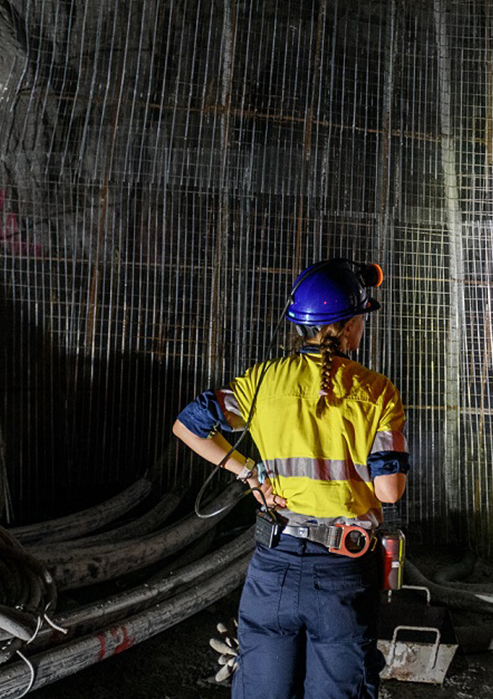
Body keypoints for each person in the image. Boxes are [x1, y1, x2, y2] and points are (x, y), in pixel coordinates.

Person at [171, 258, 409, 699]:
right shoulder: (377, 392)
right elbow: (388, 490)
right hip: (343, 571)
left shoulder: (262, 383)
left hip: (273, 566)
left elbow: (187, 426)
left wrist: (248, 473)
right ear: (349, 325)